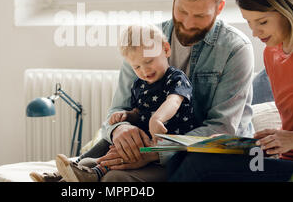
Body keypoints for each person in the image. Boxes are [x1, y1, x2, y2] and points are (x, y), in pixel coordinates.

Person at [90, 0, 255, 182]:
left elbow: (222, 129)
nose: (187, 24)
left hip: (203, 156)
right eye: (182, 11)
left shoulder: (235, 50)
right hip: (151, 146)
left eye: (199, 16)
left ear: (219, 8)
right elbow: (117, 111)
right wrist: (120, 130)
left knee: (114, 180)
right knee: (102, 154)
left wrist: (153, 152)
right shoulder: (144, 40)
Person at [168, 0, 293, 182]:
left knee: (202, 165)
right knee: (188, 154)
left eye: (262, 22)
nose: (255, 33)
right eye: (249, 22)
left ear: (288, 10)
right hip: (286, 160)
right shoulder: (272, 52)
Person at [37, 24, 196, 182]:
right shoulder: (139, 85)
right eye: (137, 66)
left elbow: (174, 101)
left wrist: (157, 119)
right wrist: (127, 116)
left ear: (166, 50)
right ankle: (67, 173)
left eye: (149, 61)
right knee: (112, 139)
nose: (145, 70)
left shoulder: (175, 78)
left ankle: (91, 174)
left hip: (167, 148)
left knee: (123, 152)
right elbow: (140, 113)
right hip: (142, 140)